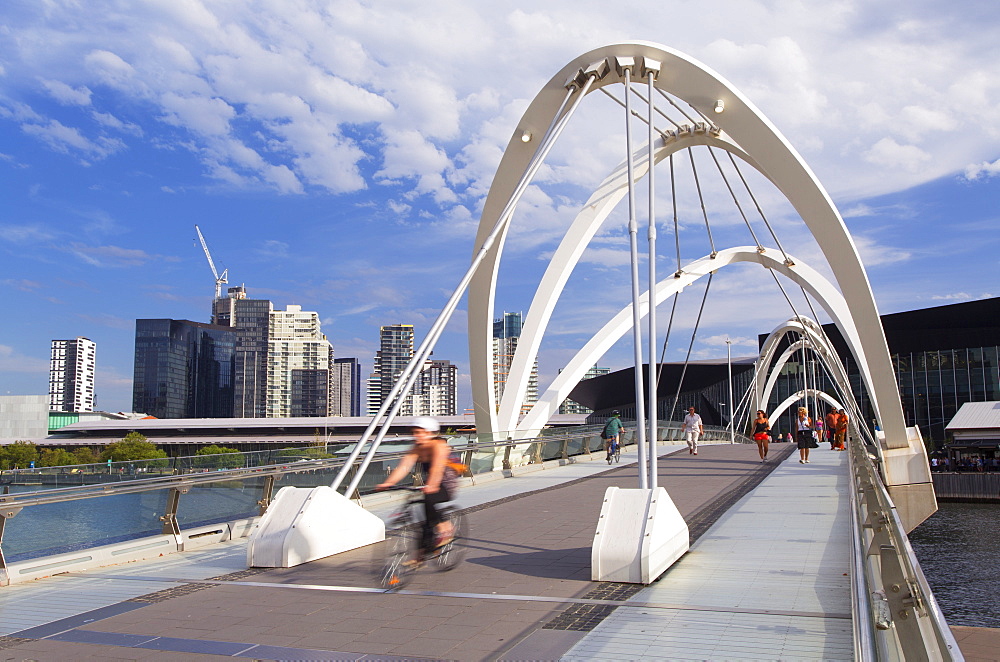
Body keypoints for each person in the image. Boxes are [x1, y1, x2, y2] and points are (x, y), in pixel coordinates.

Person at [376, 417, 454, 562]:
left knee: (429, 500)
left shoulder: (439, 445)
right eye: (415, 432)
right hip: (430, 484)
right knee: (424, 519)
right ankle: (421, 555)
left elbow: (437, 467)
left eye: (421, 432)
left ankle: (446, 528)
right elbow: (403, 468)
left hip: (446, 483)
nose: (417, 435)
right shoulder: (416, 449)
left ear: (431, 433)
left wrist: (433, 485)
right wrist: (387, 483)